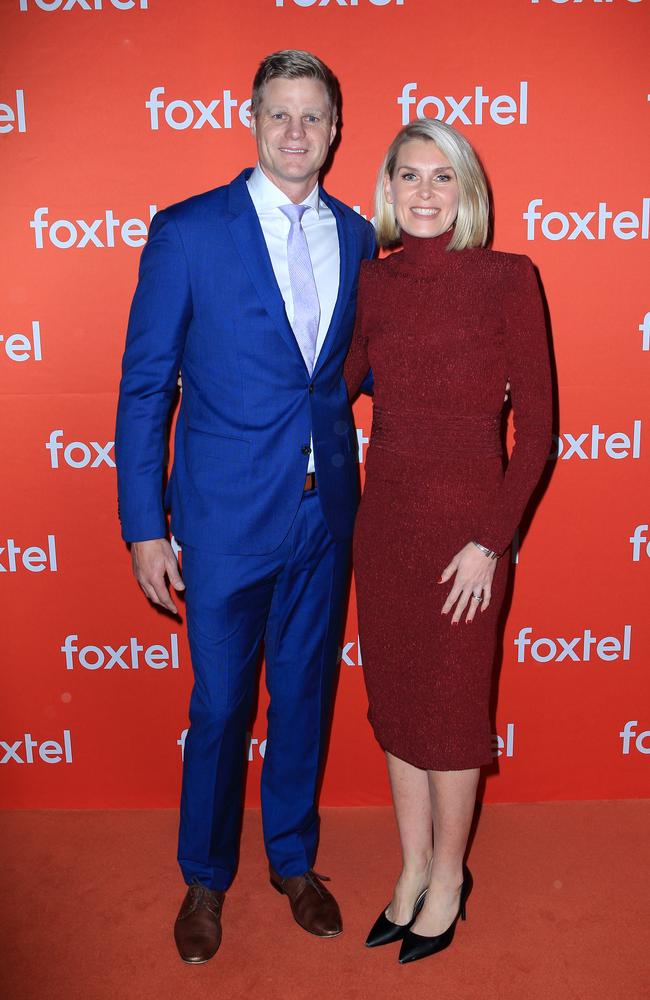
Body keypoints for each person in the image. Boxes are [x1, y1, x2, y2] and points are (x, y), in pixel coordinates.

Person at [115, 49, 376, 964]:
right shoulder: (189, 232)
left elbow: (354, 369)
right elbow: (148, 386)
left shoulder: (355, 233)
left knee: (304, 693)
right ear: (252, 120)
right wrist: (146, 525)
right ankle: (204, 879)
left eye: (313, 116)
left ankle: (294, 861)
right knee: (223, 706)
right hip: (223, 517)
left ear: (336, 129)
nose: (296, 133)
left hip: (323, 513)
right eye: (279, 115)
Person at [344, 119, 552, 965]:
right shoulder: (373, 283)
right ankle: (412, 868)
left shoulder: (510, 278)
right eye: (408, 177)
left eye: (441, 177)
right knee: (396, 707)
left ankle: (451, 879)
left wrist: (490, 542)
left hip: (468, 533)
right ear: (387, 190)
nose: (424, 193)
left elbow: (537, 430)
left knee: (453, 713)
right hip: (383, 523)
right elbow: (331, 385)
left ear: (467, 190)